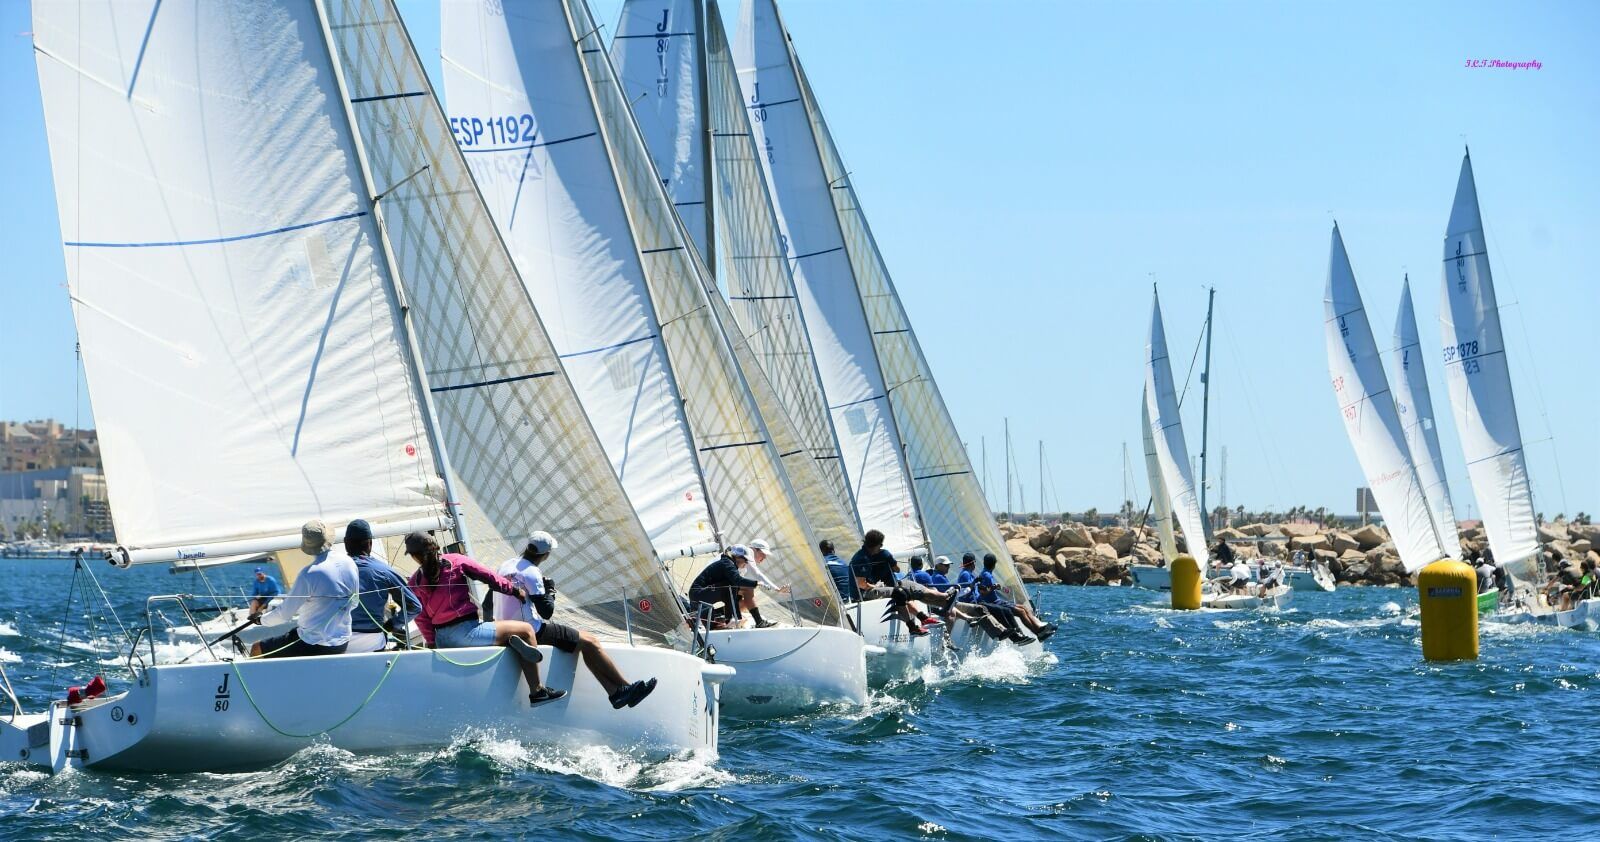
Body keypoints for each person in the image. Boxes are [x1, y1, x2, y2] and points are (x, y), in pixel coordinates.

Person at [408, 532, 576, 707]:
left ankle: (509, 641)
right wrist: (514, 590)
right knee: (526, 630)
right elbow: (488, 576)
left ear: (414, 556)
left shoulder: (413, 582)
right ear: (436, 547)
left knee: (503, 632)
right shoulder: (455, 560)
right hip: (468, 633)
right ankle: (538, 691)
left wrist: (432, 642)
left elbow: (421, 618)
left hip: (443, 639)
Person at [493, 530, 659, 707]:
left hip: (504, 627)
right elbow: (546, 612)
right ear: (546, 554)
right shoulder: (532, 572)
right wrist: (550, 591)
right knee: (591, 641)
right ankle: (624, 688)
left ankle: (617, 693)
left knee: (585, 643)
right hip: (531, 630)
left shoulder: (505, 566)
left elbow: (489, 602)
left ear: (528, 546)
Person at [250, 520, 358, 659]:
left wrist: (261, 620)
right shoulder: (349, 562)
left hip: (311, 644)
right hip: (342, 642)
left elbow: (284, 615)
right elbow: (354, 602)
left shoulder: (309, 574)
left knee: (257, 648)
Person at [343, 519, 421, 653]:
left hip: (340, 641)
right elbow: (414, 606)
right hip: (373, 641)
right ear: (370, 543)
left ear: (345, 543)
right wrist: (391, 625)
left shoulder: (332, 570)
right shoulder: (384, 571)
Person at [976, 553, 1056, 639]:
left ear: (984, 562)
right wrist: (994, 587)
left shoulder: (985, 573)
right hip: (994, 603)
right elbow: (983, 591)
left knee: (1024, 607)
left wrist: (999, 588)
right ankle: (1038, 633)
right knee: (1021, 612)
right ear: (994, 564)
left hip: (997, 601)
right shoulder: (987, 575)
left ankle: (1039, 626)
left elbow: (987, 588)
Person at [689, 546, 762, 627]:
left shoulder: (729, 564)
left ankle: (722, 616)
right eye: (746, 560)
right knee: (734, 586)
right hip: (699, 595)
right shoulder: (727, 564)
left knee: (741, 596)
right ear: (737, 557)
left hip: (701, 596)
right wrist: (756, 583)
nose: (747, 563)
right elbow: (737, 580)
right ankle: (731, 618)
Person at [740, 539, 791, 628]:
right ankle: (759, 622)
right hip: (715, 586)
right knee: (749, 589)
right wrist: (777, 589)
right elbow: (757, 574)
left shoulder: (744, 554)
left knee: (745, 601)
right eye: (763, 554)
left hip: (716, 587)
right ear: (755, 550)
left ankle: (720, 615)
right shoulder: (748, 552)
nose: (764, 558)